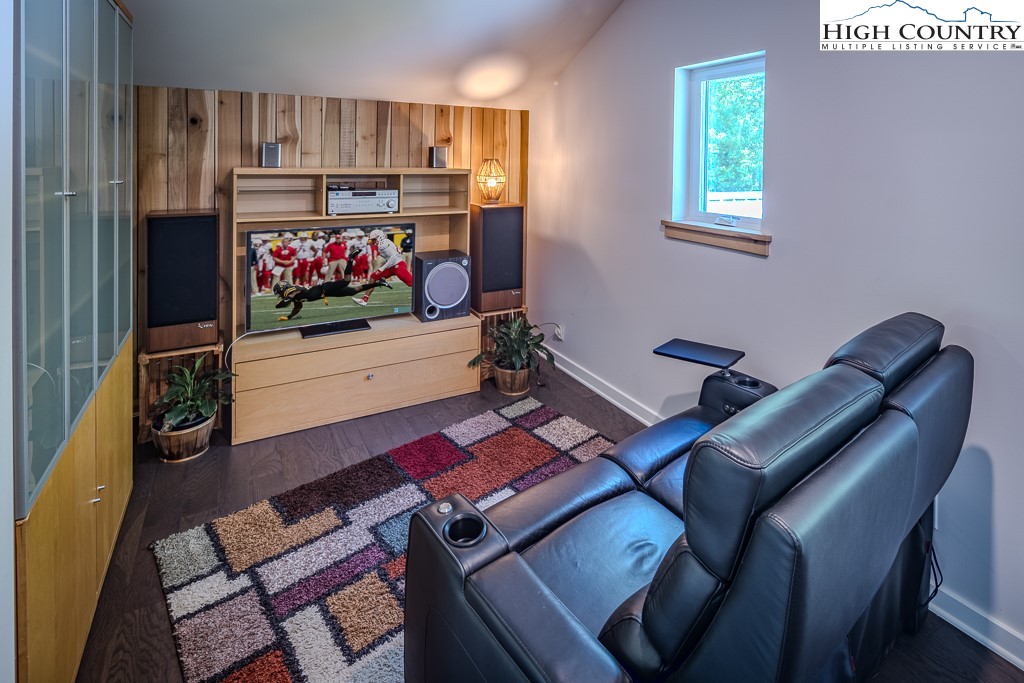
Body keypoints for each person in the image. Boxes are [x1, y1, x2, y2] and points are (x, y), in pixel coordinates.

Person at [272, 278, 390, 320]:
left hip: (325, 289)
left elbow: (291, 297)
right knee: (353, 291)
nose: (279, 295)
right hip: (327, 293)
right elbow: (298, 306)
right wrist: (289, 316)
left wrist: (282, 303)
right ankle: (378, 283)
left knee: (346, 281)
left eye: (279, 292)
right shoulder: (294, 296)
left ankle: (350, 259)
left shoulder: (292, 290)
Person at [352, 229, 412, 306]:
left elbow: (394, 257)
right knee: (373, 277)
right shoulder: (384, 242)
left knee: (412, 283)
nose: (372, 242)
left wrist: (382, 268)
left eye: (373, 240)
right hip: (391, 266)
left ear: (378, 237)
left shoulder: (382, 245)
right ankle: (364, 300)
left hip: (398, 265)